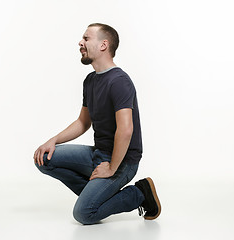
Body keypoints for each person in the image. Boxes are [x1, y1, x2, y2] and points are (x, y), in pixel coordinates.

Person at [33, 23, 161, 225]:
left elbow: (126, 130)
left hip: (123, 162)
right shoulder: (90, 80)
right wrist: (53, 140)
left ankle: (139, 194)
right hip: (98, 154)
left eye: (86, 38)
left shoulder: (119, 81)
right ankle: (100, 194)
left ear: (103, 45)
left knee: (84, 213)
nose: (80, 43)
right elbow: (83, 122)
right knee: (44, 158)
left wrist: (111, 168)